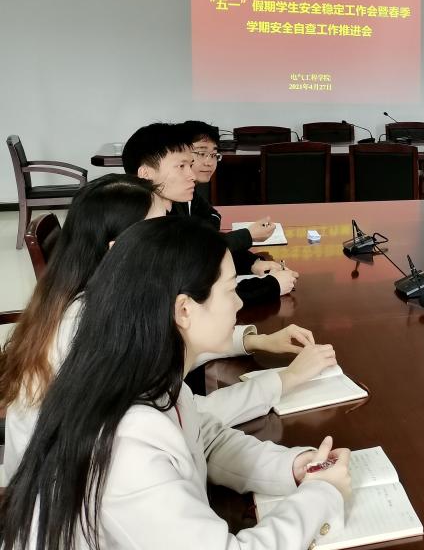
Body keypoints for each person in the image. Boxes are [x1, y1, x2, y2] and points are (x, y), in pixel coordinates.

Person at [0, 217, 350, 549]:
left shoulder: (148, 373)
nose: (240, 302)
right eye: (231, 290)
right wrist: (321, 495)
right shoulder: (126, 443)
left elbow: (205, 440)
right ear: (184, 309)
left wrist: (293, 467)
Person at [0, 175, 332, 479]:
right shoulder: (90, 330)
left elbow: (172, 350)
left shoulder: (99, 299)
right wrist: (285, 379)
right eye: (160, 228)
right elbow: (184, 417)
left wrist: (252, 341)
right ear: (122, 249)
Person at [177, 120, 297, 303]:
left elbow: (211, 227)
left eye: (214, 155)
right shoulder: (165, 208)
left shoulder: (190, 195)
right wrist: (271, 285)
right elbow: (199, 257)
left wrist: (253, 263)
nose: (209, 162)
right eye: (201, 153)